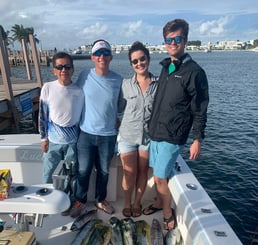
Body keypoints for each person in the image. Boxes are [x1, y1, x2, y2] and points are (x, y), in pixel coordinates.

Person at [143, 19, 209, 231]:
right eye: (169, 39)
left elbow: (199, 108)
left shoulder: (194, 72)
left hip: (173, 136)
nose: (173, 43)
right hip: (156, 131)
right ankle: (157, 202)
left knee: (161, 177)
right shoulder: (166, 67)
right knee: (156, 173)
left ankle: (168, 212)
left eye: (177, 39)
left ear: (185, 40)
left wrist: (197, 139)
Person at [69, 39, 122, 218]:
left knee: (104, 171)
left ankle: (101, 199)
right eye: (98, 53)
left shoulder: (118, 79)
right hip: (86, 133)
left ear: (111, 57)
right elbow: (71, 94)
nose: (102, 57)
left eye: (106, 53)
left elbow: (122, 104)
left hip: (108, 135)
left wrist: (119, 119)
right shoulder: (84, 75)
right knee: (83, 170)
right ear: (92, 57)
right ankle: (80, 201)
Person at [117, 41, 158, 218]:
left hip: (147, 137)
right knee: (129, 172)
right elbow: (118, 108)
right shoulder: (125, 84)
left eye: (142, 59)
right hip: (127, 136)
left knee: (143, 172)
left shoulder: (159, 84)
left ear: (148, 59)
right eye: (135, 61)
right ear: (131, 64)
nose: (139, 63)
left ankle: (137, 202)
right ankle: (127, 202)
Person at [39, 51, 84, 184]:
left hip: (72, 143)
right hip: (53, 142)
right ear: (54, 70)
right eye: (59, 67)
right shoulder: (47, 87)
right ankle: (46, 199)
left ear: (73, 70)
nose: (63, 70)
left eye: (67, 67)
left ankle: (68, 199)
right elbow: (43, 114)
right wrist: (43, 138)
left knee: (71, 175)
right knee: (47, 173)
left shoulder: (80, 91)